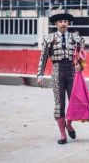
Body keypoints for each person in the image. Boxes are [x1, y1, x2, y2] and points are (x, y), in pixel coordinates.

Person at [37, 13, 85, 144]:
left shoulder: (76, 38)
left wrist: (80, 66)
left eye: (65, 21)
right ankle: (63, 135)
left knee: (74, 102)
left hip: (71, 72)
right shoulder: (49, 38)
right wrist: (39, 74)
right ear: (56, 24)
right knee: (59, 105)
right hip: (57, 71)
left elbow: (82, 55)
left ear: (68, 23)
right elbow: (43, 57)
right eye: (60, 22)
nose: (63, 23)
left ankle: (69, 125)